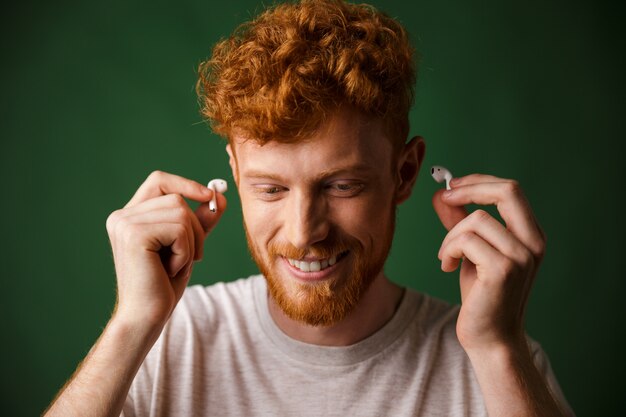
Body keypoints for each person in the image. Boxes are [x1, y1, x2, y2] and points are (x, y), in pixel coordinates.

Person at [44, 0, 574, 416]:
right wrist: (132, 325)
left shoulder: (498, 362)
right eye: (270, 189)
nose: (303, 233)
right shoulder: (166, 344)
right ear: (233, 173)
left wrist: (498, 351)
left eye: (342, 186)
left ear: (405, 172)